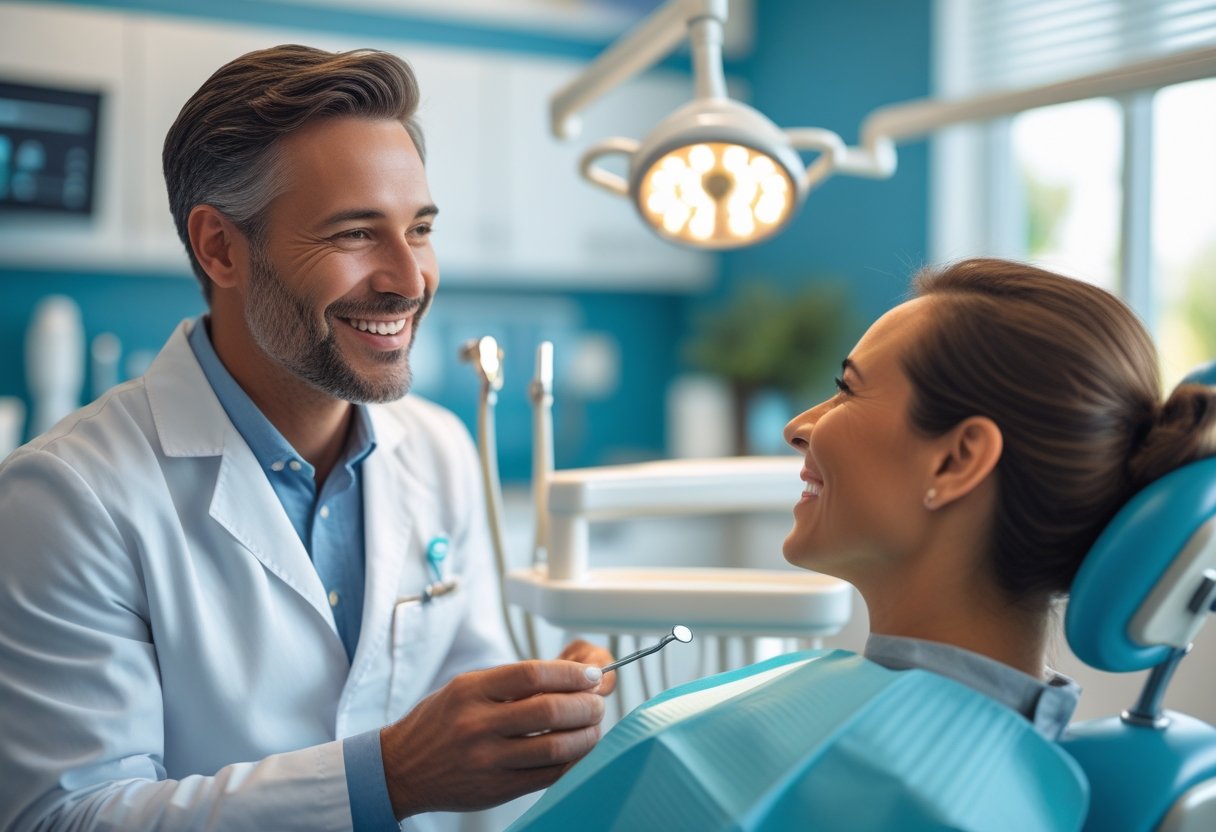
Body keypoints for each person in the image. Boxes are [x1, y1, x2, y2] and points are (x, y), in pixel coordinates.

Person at [0, 45, 616, 831]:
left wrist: (535, 705)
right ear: (221, 247)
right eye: (357, 234)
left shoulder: (439, 450)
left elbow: (467, 697)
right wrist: (387, 778)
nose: (408, 278)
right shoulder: (66, 496)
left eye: (419, 228)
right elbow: (65, 817)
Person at [507, 258, 1216, 830]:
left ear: (956, 461)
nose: (800, 426)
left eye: (847, 390)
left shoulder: (928, 797)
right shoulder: (989, 762)